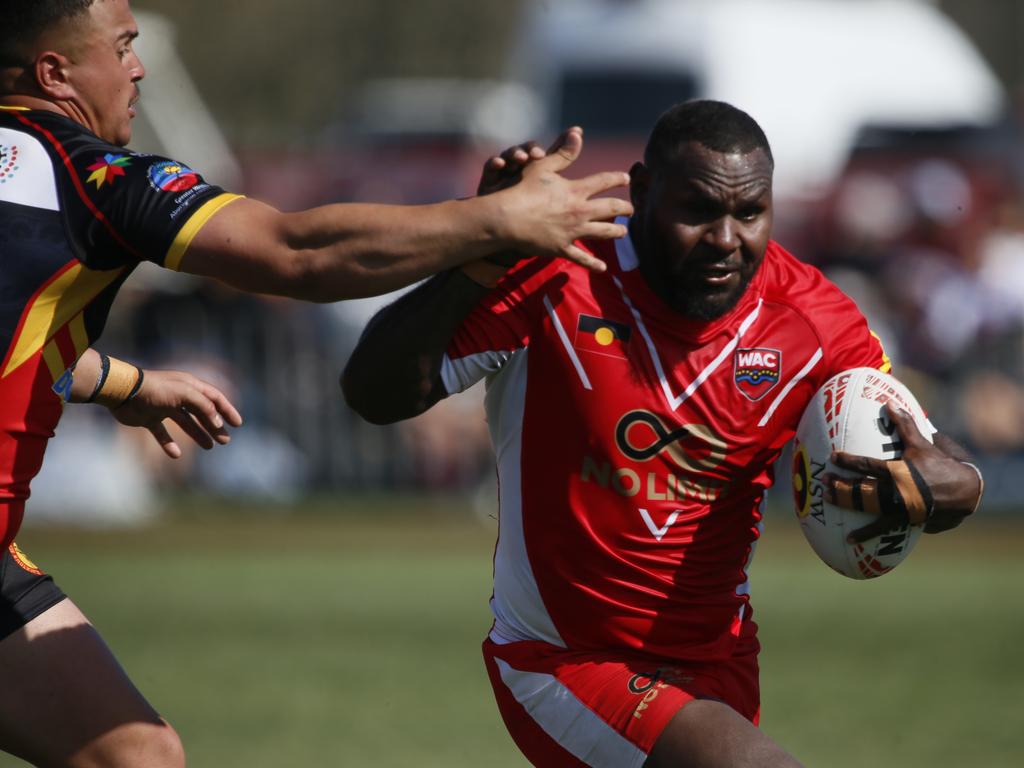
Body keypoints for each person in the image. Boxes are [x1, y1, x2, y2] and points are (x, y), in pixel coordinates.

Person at [0, 1, 632, 766]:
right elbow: (298, 252)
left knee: (135, 755)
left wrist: (121, 381)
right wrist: (496, 220)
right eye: (125, 46)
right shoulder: (91, 175)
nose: (138, 66)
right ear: (55, 72)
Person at [342, 100, 985, 767]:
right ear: (642, 191)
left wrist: (957, 483)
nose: (726, 238)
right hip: (565, 663)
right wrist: (481, 259)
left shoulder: (812, 317)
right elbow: (373, 393)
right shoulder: (559, 271)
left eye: (750, 213)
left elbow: (927, 450)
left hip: (720, 662)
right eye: (699, 210)